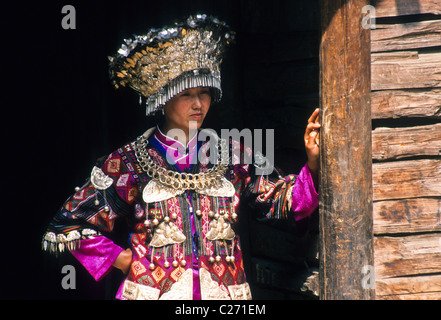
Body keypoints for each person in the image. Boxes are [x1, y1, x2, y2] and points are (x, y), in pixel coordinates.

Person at [42, 14, 320, 300]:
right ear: (164, 99)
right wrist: (123, 259)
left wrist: (312, 162)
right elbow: (67, 224)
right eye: (186, 94)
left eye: (204, 93)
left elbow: (285, 204)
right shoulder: (129, 163)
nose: (198, 104)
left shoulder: (235, 155)